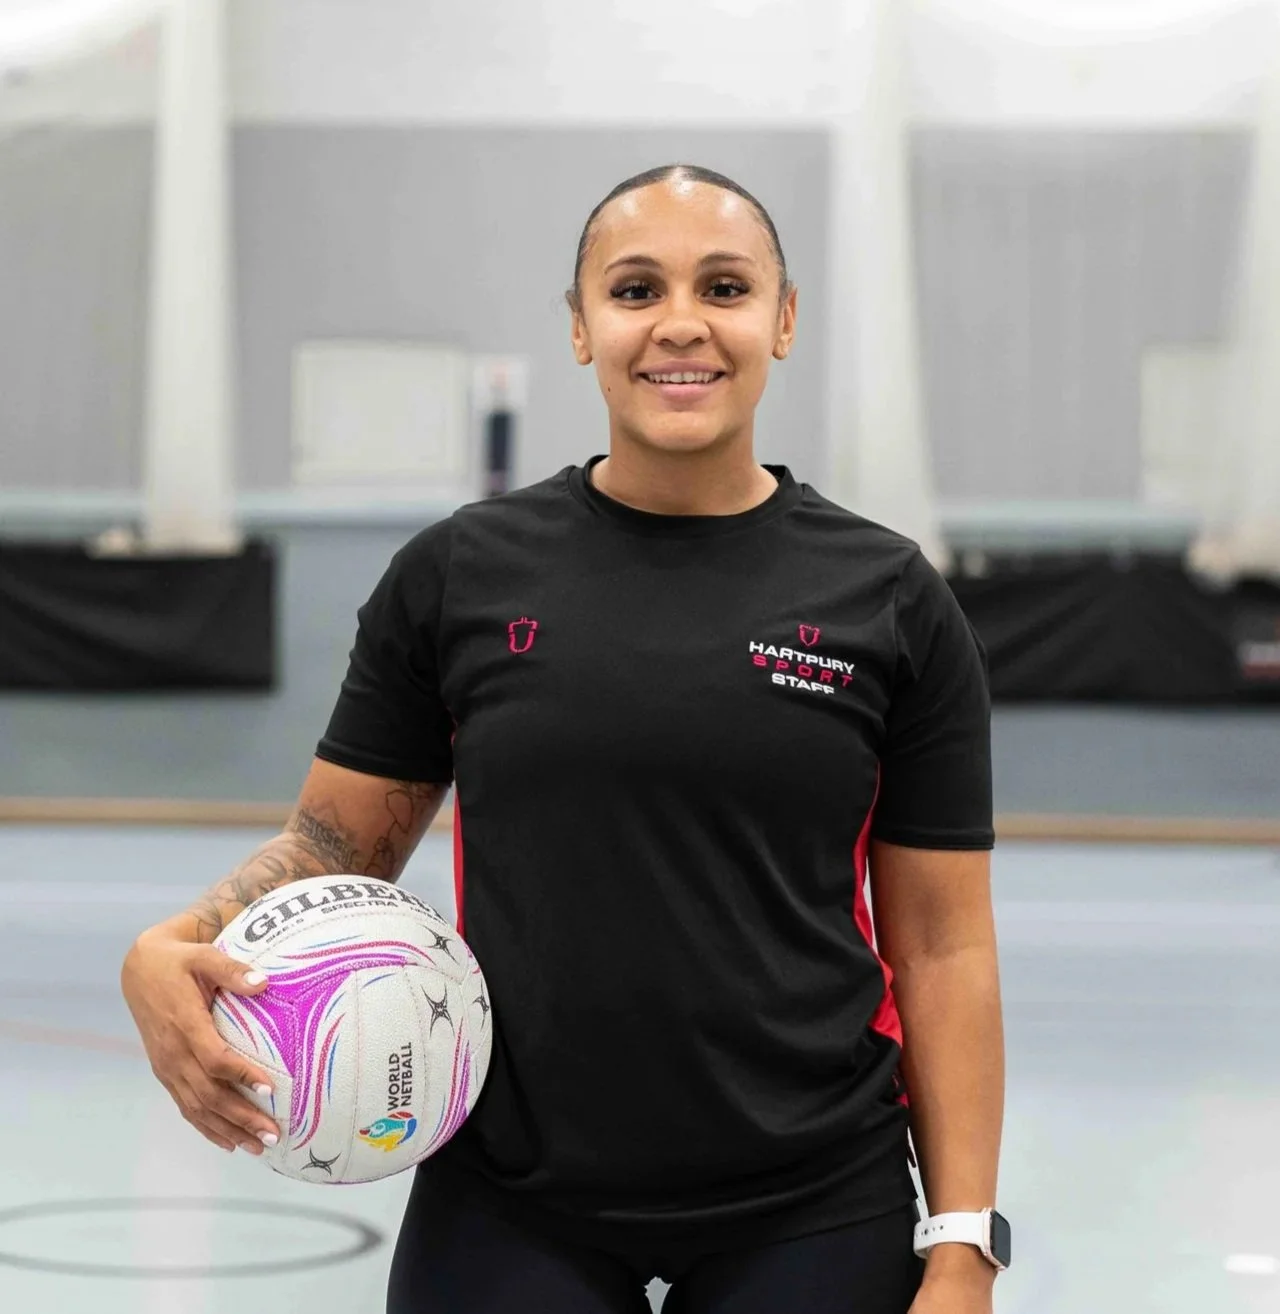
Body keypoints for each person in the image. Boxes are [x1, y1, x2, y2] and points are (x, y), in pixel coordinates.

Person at [121, 163, 1006, 1314]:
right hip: (512, 1192)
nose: (680, 323)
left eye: (725, 288)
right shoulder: (458, 576)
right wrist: (169, 945)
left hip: (813, 1192)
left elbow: (942, 950)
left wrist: (962, 1244)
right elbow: (333, 847)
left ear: (783, 320)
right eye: (636, 290)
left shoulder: (889, 600)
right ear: (582, 328)